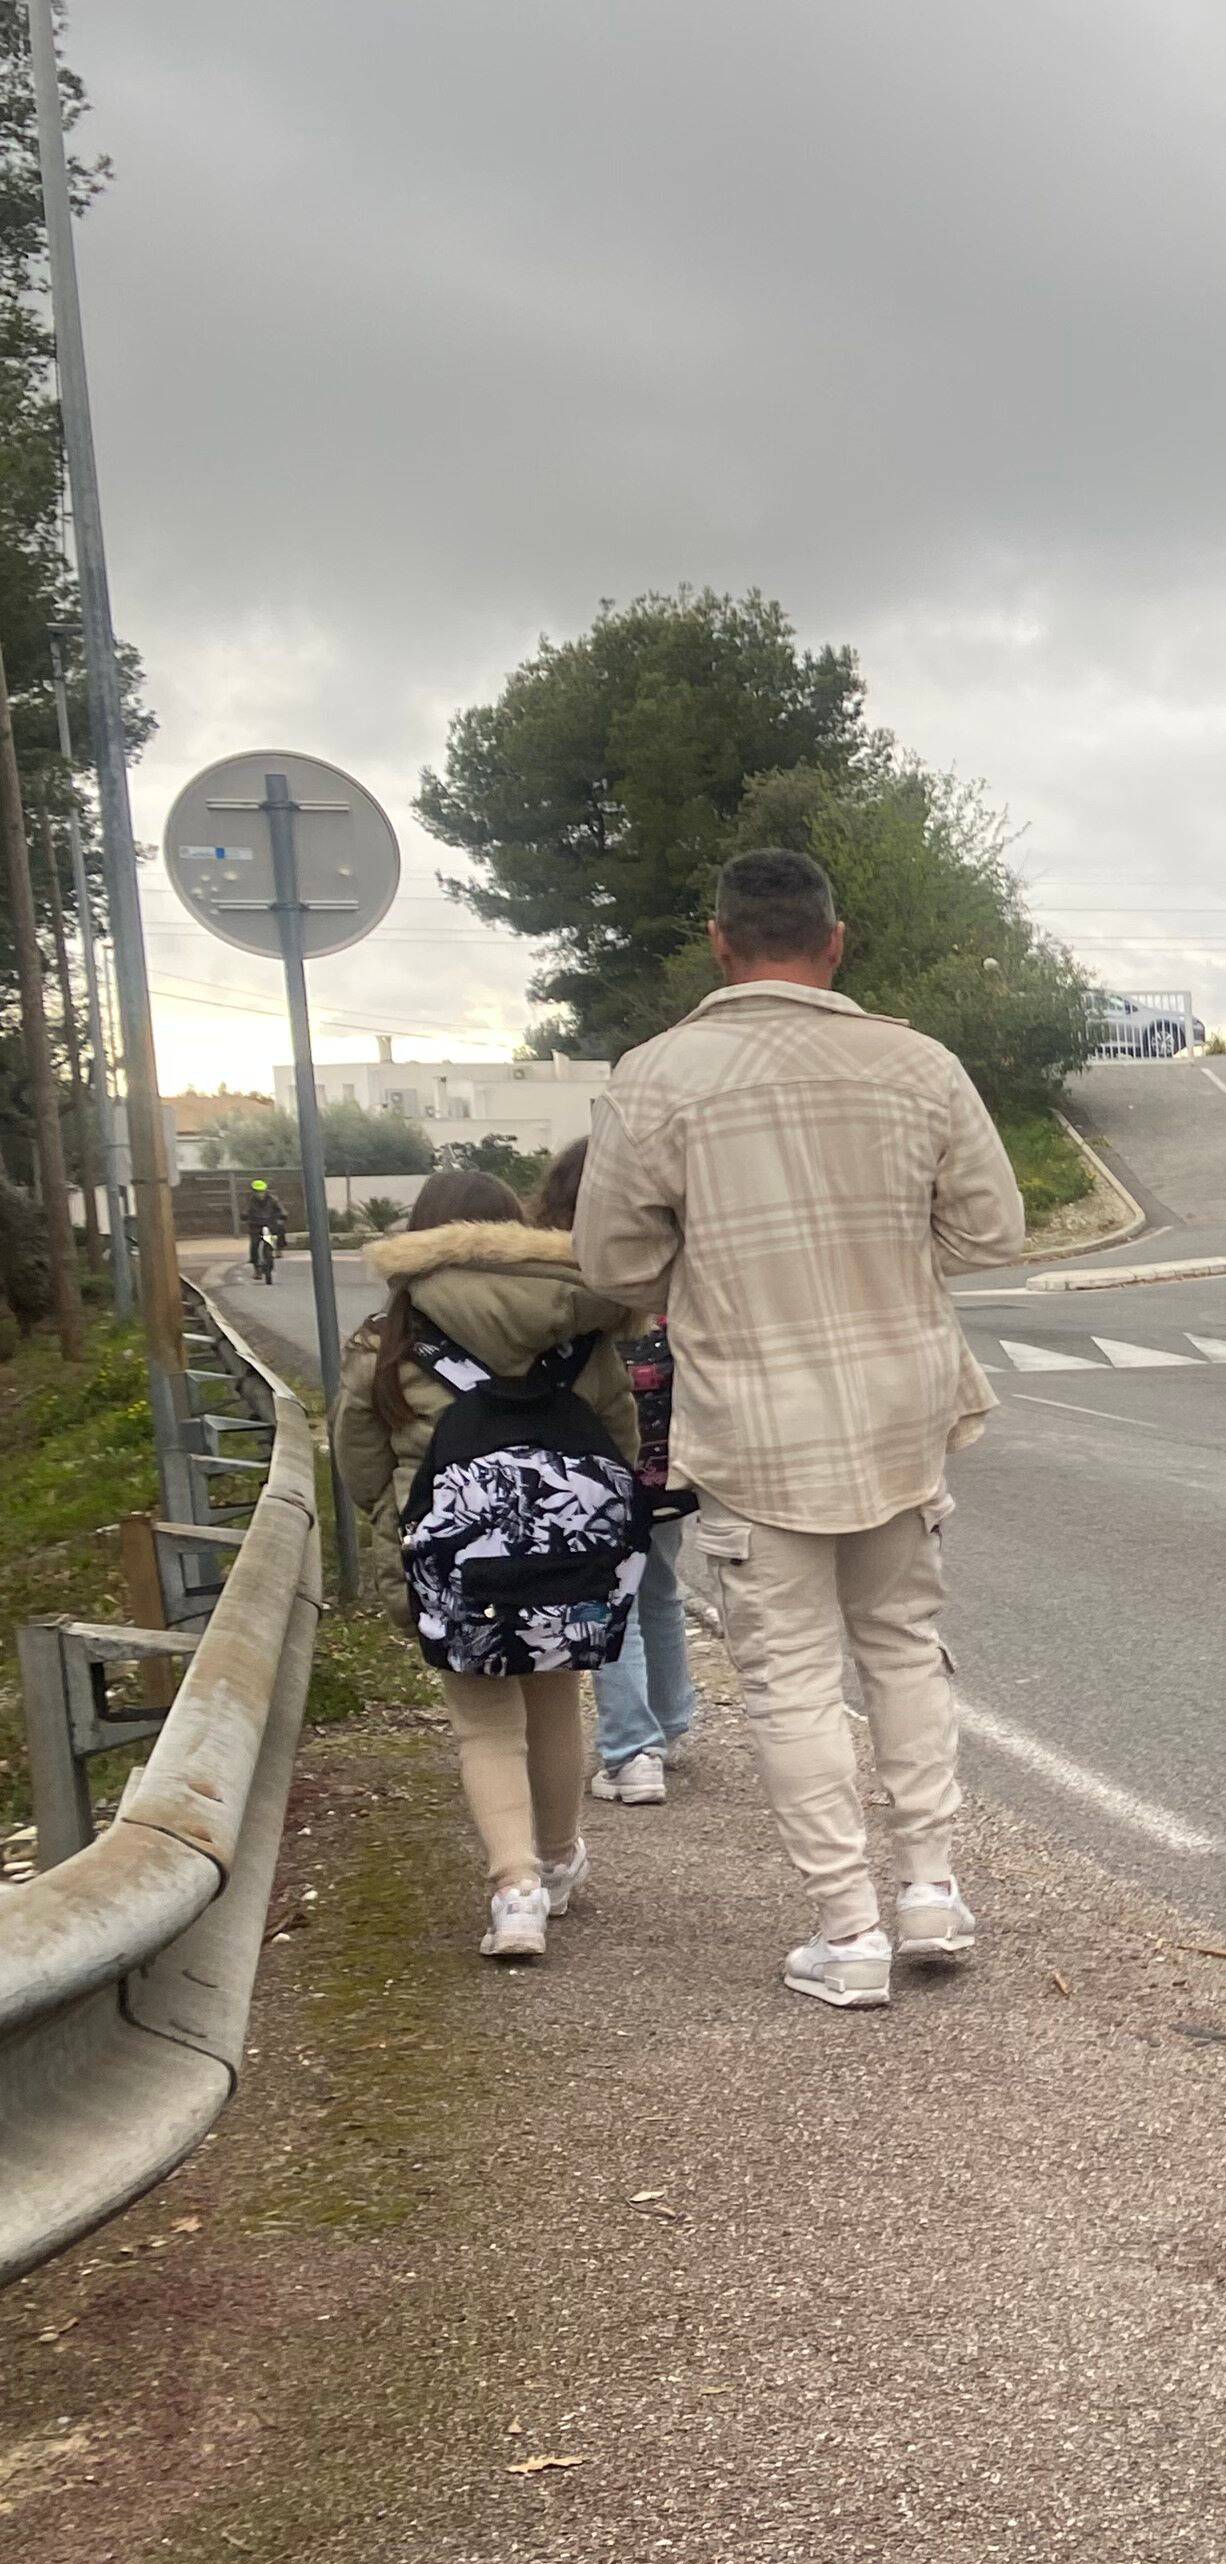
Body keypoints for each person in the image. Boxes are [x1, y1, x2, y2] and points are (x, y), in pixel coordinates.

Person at [574, 846, 1027, 2010]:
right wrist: (890, 1248)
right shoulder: (917, 1064)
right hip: (901, 1412)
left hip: (755, 1421)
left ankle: (848, 1930)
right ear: (836, 943)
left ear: (720, 943)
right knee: (904, 1648)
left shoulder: (655, 1078)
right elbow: (994, 1230)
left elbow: (611, 1261)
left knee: (788, 1680)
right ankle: (932, 1889)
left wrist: (706, 1258)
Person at [333, 1166, 647, 1962]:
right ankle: (561, 1858)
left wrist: (402, 1526)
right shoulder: (581, 1331)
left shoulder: (386, 1340)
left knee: (483, 1725)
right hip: (567, 1557)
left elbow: (357, 1460)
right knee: (554, 1702)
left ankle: (515, 1893)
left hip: (457, 1563)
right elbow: (620, 1436)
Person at [531, 1138, 698, 1806]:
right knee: (659, 1590)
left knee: (609, 1605)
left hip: (593, 1472)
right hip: (672, 1469)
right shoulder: (671, 1263)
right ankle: (673, 1721)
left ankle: (633, 1753)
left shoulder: (559, 1275)